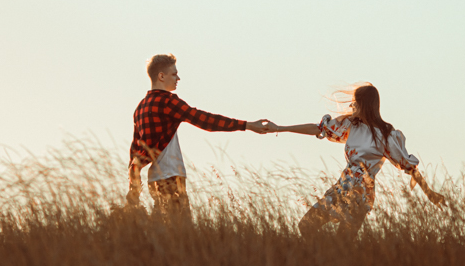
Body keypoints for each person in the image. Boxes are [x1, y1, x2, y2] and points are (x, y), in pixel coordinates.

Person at [266, 83, 445, 238]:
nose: (352, 106)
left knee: (343, 243)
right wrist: (280, 128)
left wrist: (430, 193)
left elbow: (408, 166)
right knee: (306, 226)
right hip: (342, 187)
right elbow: (318, 129)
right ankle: (319, 259)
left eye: (355, 103)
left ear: (364, 105)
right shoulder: (352, 125)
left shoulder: (385, 135)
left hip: (361, 193)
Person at [127, 54, 269, 219]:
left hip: (154, 180)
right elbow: (204, 120)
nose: (178, 78)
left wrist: (133, 186)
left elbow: (134, 150)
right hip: (170, 177)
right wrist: (247, 125)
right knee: (182, 229)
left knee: (163, 228)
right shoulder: (168, 102)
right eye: (174, 74)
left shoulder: (140, 107)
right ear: (161, 76)